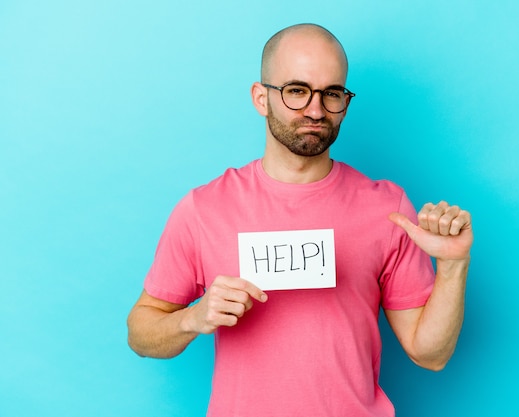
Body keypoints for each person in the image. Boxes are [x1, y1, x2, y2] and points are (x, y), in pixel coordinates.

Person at [127, 23, 473, 417]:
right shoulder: (204, 209)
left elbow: (430, 355)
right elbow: (140, 332)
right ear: (261, 98)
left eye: (332, 94)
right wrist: (193, 316)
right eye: (296, 90)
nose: (315, 109)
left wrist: (453, 265)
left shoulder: (387, 209)